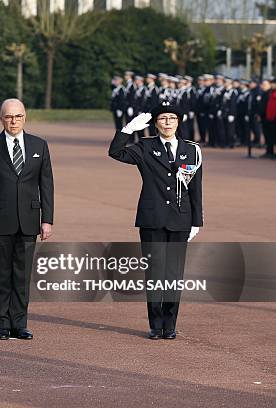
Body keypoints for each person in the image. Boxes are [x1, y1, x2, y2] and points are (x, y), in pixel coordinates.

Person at [108, 101, 203, 340]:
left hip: (181, 220)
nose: (168, 122)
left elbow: (196, 188)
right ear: (156, 123)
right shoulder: (145, 146)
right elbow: (115, 152)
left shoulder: (191, 150)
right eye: (162, 118)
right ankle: (155, 324)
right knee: (154, 274)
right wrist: (128, 129)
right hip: (152, 219)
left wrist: (196, 221)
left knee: (174, 274)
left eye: (172, 118)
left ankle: (169, 325)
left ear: (178, 122)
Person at [0, 98, 54, 341]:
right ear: (1, 119)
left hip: (29, 220)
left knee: (22, 275)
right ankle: (2, 324)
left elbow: (46, 185)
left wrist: (47, 219)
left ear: (25, 118)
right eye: (8, 116)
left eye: (18, 116)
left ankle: (20, 323)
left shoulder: (40, 145)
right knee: (0, 275)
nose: (13, 121)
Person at [261, 77, 276, 159]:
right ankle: (269, 152)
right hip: (269, 118)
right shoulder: (270, 93)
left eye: (273, 83)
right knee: (269, 136)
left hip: (274, 119)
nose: (272, 85)